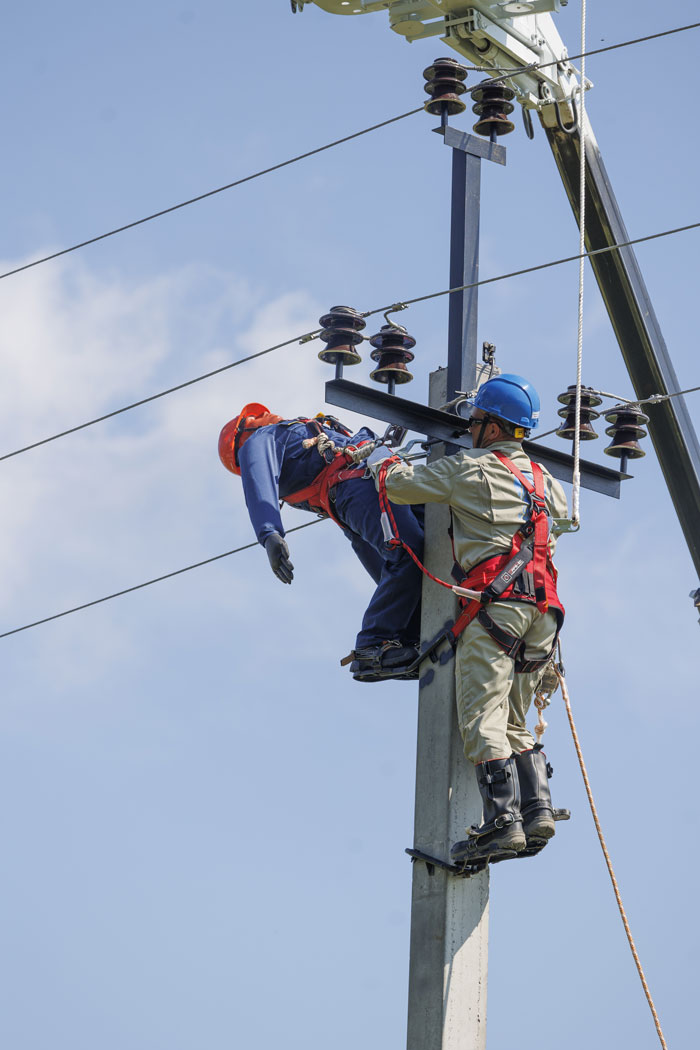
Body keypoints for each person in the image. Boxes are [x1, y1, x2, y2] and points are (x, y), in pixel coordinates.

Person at [367, 374, 568, 864]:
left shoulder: (470, 469)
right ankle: (536, 808)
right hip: (544, 617)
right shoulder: (549, 484)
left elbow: (401, 488)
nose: (470, 429)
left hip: (497, 609)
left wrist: (382, 460)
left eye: (475, 421)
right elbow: (563, 521)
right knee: (515, 718)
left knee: (481, 718)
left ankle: (503, 822)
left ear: (493, 429)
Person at [218, 403, 424, 681]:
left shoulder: (299, 438)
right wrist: (269, 534)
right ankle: (373, 645)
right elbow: (257, 481)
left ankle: (410, 640)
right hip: (360, 484)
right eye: (255, 417)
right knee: (407, 552)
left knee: (427, 549)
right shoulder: (261, 439)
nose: (266, 414)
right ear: (247, 428)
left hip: (377, 480)